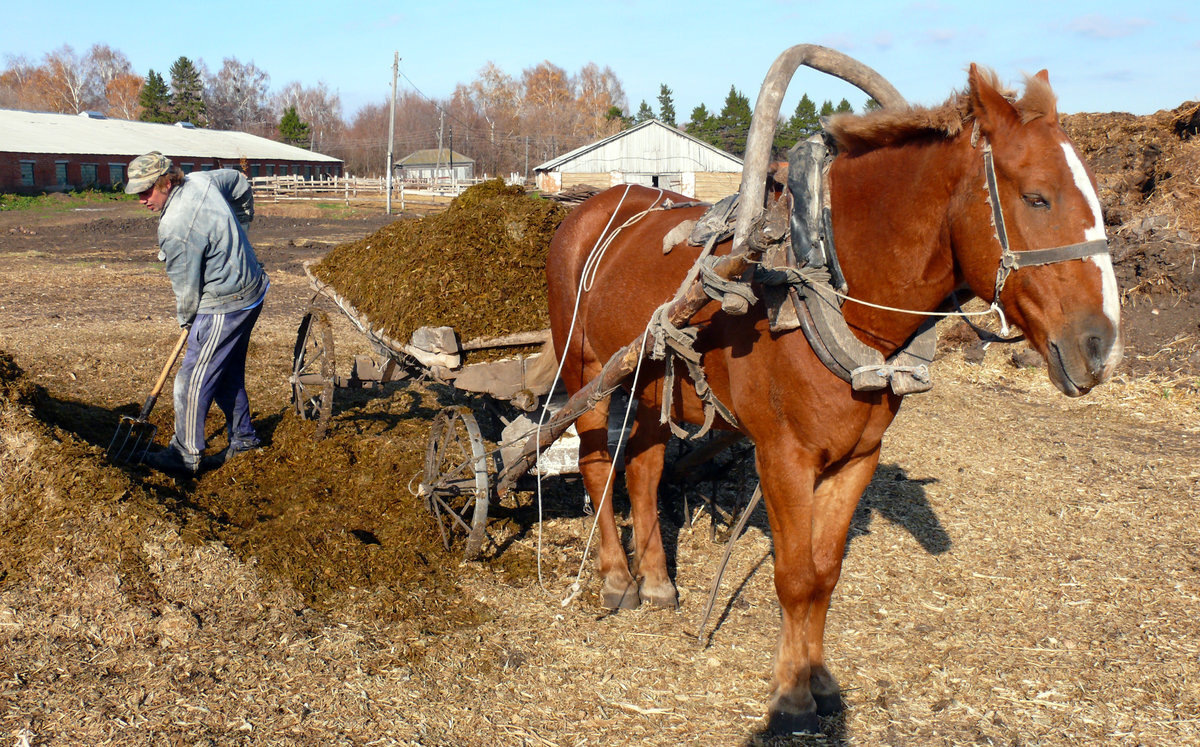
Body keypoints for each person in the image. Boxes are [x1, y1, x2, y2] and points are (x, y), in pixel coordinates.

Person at [125, 152, 268, 474]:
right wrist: (242, 224)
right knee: (224, 372)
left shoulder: (176, 226)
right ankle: (244, 441)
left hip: (225, 302)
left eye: (146, 191)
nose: (141, 200)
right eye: (136, 193)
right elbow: (239, 180)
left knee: (190, 380)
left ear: (165, 182)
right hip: (253, 288)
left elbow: (186, 289)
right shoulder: (202, 181)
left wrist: (188, 321)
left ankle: (184, 454)